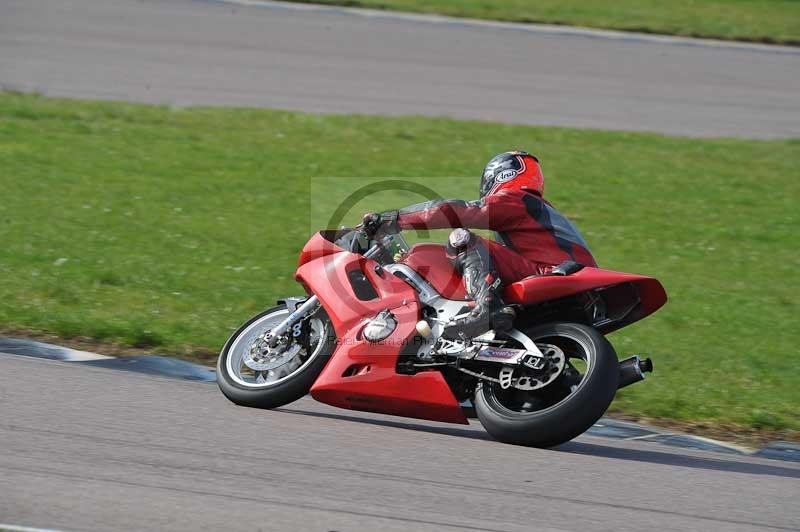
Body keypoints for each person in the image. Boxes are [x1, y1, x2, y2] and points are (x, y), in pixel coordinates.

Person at [363, 150, 597, 340]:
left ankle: (485, 308)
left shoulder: (518, 201)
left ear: (501, 175)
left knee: (462, 239)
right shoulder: (543, 214)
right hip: (580, 291)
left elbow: (460, 211)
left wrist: (394, 219)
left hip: (553, 275)